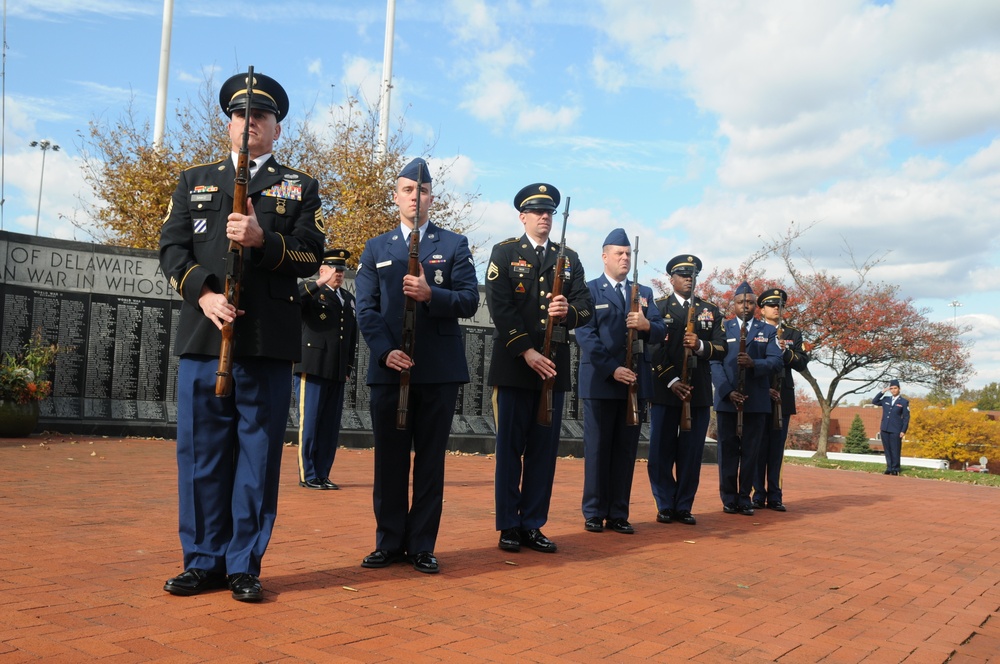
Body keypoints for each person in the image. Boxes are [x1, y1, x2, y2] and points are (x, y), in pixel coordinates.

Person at [160, 71, 326, 602]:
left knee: (256, 458)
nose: (248, 123)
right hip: (205, 339)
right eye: (240, 115)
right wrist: (204, 295)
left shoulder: (298, 186)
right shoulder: (193, 181)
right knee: (200, 456)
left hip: (264, 345)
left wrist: (263, 238)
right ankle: (202, 560)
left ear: (276, 129)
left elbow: (310, 255)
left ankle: (242, 564)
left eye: (260, 116)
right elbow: (171, 251)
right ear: (228, 123)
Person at [354, 157, 479, 574]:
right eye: (408, 190)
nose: (415, 197)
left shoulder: (453, 244)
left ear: (431, 198)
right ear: (397, 196)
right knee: (389, 460)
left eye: (423, 191)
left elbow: (468, 300)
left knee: (429, 462)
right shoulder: (376, 248)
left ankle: (422, 544)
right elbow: (366, 309)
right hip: (390, 368)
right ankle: (389, 541)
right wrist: (386, 351)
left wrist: (432, 295)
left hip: (437, 371)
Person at [485, 183, 592, 554]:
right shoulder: (505, 253)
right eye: (537, 212)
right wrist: (527, 350)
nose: (544, 217)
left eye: (549, 212)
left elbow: (586, 306)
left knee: (544, 452)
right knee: (510, 450)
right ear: (523, 216)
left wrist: (569, 312)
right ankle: (508, 526)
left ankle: (533, 524)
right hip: (516, 364)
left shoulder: (570, 259)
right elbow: (500, 307)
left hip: (553, 366)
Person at [575, 229, 665, 534]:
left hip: (634, 385)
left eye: (627, 254)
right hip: (602, 381)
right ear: (604, 257)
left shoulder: (644, 294)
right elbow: (586, 335)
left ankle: (618, 513)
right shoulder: (589, 291)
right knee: (598, 450)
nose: (624, 258)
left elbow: (662, 330)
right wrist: (613, 369)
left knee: (626, 451)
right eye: (618, 253)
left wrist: (646, 324)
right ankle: (593, 511)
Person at [647, 255, 727, 526]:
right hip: (665, 388)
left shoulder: (711, 311)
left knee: (691, 453)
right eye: (682, 274)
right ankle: (665, 504)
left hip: (698, 391)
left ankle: (683, 505)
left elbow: (722, 347)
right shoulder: (658, 308)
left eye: (692, 275)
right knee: (660, 452)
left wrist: (701, 346)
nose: (688, 279)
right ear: (672, 278)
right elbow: (653, 349)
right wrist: (671, 380)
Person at [710, 281, 781, 516]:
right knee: (728, 451)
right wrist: (727, 391)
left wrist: (754, 364)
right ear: (735, 304)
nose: (746, 306)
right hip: (728, 398)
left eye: (750, 302)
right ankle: (729, 498)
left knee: (751, 452)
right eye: (741, 302)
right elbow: (714, 363)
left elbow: (776, 361)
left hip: (756, 400)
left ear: (756, 305)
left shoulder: (767, 331)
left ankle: (745, 498)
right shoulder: (723, 329)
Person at [294, 248, 357, 491]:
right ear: (322, 270)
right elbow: (295, 298)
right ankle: (307, 473)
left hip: (337, 369)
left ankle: (322, 473)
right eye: (334, 269)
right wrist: (318, 281)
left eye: (341, 270)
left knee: (330, 426)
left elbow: (351, 335)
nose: (339, 274)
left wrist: (348, 365)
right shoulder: (313, 291)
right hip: (312, 365)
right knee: (309, 423)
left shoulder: (348, 299)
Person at [751, 288, 809, 510]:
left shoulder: (792, 334)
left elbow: (802, 362)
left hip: (783, 397)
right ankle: (758, 493)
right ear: (762, 309)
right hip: (760, 393)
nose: (777, 308)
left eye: (780, 305)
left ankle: (775, 495)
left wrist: (785, 352)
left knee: (776, 449)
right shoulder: (756, 331)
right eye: (772, 305)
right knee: (758, 446)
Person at [872, 379, 910, 475]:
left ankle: (895, 468)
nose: (893, 390)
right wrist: (882, 392)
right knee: (887, 449)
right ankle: (889, 467)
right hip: (885, 428)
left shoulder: (904, 402)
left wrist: (903, 430)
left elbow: (906, 417)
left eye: (895, 388)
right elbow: (875, 401)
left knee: (895, 449)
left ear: (899, 389)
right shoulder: (886, 400)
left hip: (896, 429)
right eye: (891, 388)